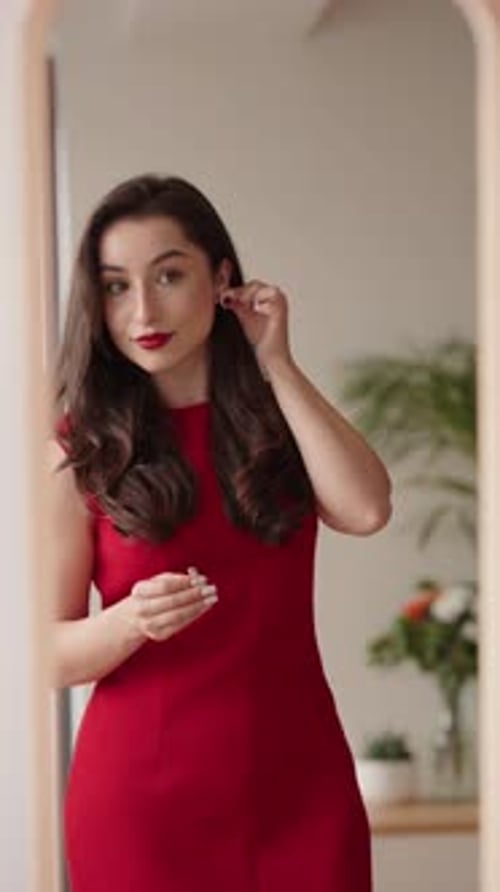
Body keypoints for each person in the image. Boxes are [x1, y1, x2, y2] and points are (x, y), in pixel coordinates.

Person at [50, 173, 392, 892]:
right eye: (115, 286)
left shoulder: (279, 419)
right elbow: (39, 651)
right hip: (143, 813)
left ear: (223, 277)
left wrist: (277, 361)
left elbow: (366, 510)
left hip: (300, 792)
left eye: (169, 275)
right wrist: (129, 623)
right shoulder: (80, 448)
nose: (142, 308)